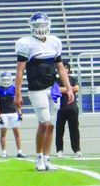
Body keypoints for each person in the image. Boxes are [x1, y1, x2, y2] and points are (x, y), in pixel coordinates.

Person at [14, 13, 74, 172]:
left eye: (42, 25)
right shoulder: (25, 43)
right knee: (44, 123)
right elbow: (20, 71)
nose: (40, 29)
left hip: (53, 88)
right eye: (37, 26)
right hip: (37, 89)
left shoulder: (55, 41)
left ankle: (47, 158)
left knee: (52, 124)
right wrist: (17, 94)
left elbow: (60, 67)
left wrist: (68, 87)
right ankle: (39, 156)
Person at [0, 71, 25, 158]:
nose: (6, 81)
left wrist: (20, 113)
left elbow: (18, 102)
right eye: (4, 79)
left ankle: (19, 151)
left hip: (13, 113)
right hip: (3, 114)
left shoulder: (14, 89)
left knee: (17, 133)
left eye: (7, 79)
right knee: (3, 133)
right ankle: (4, 152)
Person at [54, 61, 82, 157]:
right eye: (63, 68)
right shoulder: (56, 80)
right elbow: (57, 90)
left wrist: (65, 89)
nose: (65, 69)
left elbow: (77, 88)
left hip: (72, 108)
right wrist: (69, 89)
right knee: (59, 130)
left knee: (74, 130)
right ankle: (59, 150)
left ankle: (77, 149)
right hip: (60, 109)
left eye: (66, 67)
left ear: (69, 69)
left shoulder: (73, 79)